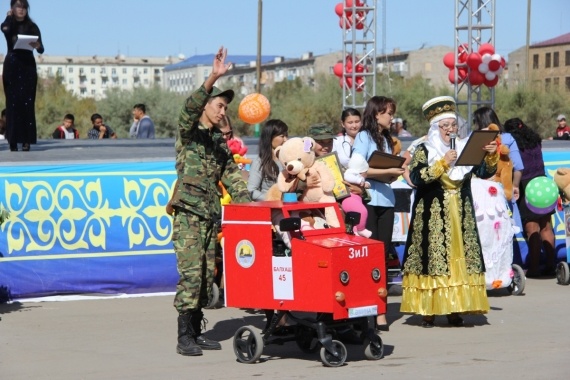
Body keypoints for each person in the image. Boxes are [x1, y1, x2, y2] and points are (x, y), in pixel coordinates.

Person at [169, 46, 251, 357]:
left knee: (205, 276)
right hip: (188, 214)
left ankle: (196, 328)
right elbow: (188, 110)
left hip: (209, 217)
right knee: (191, 274)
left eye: (224, 108)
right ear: (205, 106)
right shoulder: (188, 133)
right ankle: (183, 336)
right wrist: (213, 76)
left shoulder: (218, 141)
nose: (222, 112)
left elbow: (231, 176)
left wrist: (249, 205)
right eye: (218, 105)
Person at [400, 96, 498, 328]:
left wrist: (491, 154)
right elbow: (416, 177)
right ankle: (429, 312)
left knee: (461, 260)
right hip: (433, 215)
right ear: (436, 128)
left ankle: (455, 309)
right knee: (433, 260)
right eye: (445, 126)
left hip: (461, 214)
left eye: (453, 125)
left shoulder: (465, 148)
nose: (450, 130)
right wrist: (442, 163)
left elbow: (483, 172)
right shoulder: (424, 149)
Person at [349, 96, 405, 331]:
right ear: (376, 113)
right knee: (366, 257)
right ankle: (363, 309)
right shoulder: (363, 136)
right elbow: (357, 167)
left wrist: (394, 171)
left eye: (392, 113)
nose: (391, 117)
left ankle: (381, 312)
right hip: (369, 201)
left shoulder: (385, 139)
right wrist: (390, 169)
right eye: (388, 112)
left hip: (386, 200)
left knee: (382, 257)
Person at [504, 118, 556, 277]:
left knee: (532, 228)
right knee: (546, 226)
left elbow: (516, 167)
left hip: (528, 186)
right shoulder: (535, 140)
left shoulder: (514, 145)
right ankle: (551, 265)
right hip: (544, 184)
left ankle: (534, 268)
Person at [2, 0, 44, 152]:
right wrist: (8, 17)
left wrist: (38, 46)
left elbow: (41, 49)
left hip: (27, 66)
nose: (21, 10)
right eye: (18, 7)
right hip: (12, 65)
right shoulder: (10, 24)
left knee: (27, 104)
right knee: (12, 105)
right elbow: (5, 30)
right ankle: (12, 141)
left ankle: (26, 140)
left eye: (24, 7)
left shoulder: (32, 26)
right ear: (12, 8)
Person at [473, 106, 523, 202]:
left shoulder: (475, 139)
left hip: (481, 193)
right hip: (504, 190)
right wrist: (515, 186)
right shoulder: (508, 138)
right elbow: (518, 166)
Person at [247, 119, 288, 201]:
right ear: (270, 137)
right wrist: (271, 198)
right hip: (270, 209)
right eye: (282, 136)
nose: (285, 140)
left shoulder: (289, 161)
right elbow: (251, 190)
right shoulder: (259, 162)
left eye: (286, 136)